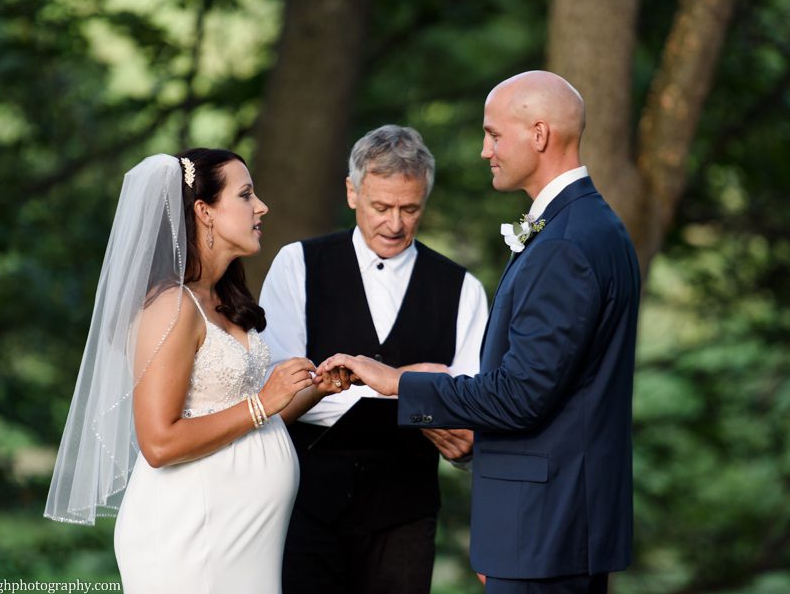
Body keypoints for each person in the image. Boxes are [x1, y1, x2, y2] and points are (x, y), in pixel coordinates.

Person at [319, 71, 641, 594]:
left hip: (543, 528)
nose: (484, 150)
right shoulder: (591, 226)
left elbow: (520, 395)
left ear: (538, 135)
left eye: (493, 134)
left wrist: (399, 381)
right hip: (552, 525)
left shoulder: (565, 244)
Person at [44, 149, 348, 593]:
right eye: (245, 195)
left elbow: (246, 424)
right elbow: (159, 442)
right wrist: (264, 400)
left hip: (244, 540)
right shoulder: (171, 306)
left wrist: (313, 390)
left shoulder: (222, 298)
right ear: (204, 211)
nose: (261, 206)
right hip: (189, 535)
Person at [259, 125, 489, 594]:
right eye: (381, 207)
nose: (395, 224)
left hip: (406, 512)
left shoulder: (463, 290)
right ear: (352, 192)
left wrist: (413, 398)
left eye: (410, 209)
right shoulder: (297, 264)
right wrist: (417, 389)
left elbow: (470, 415)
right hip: (306, 505)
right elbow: (278, 389)